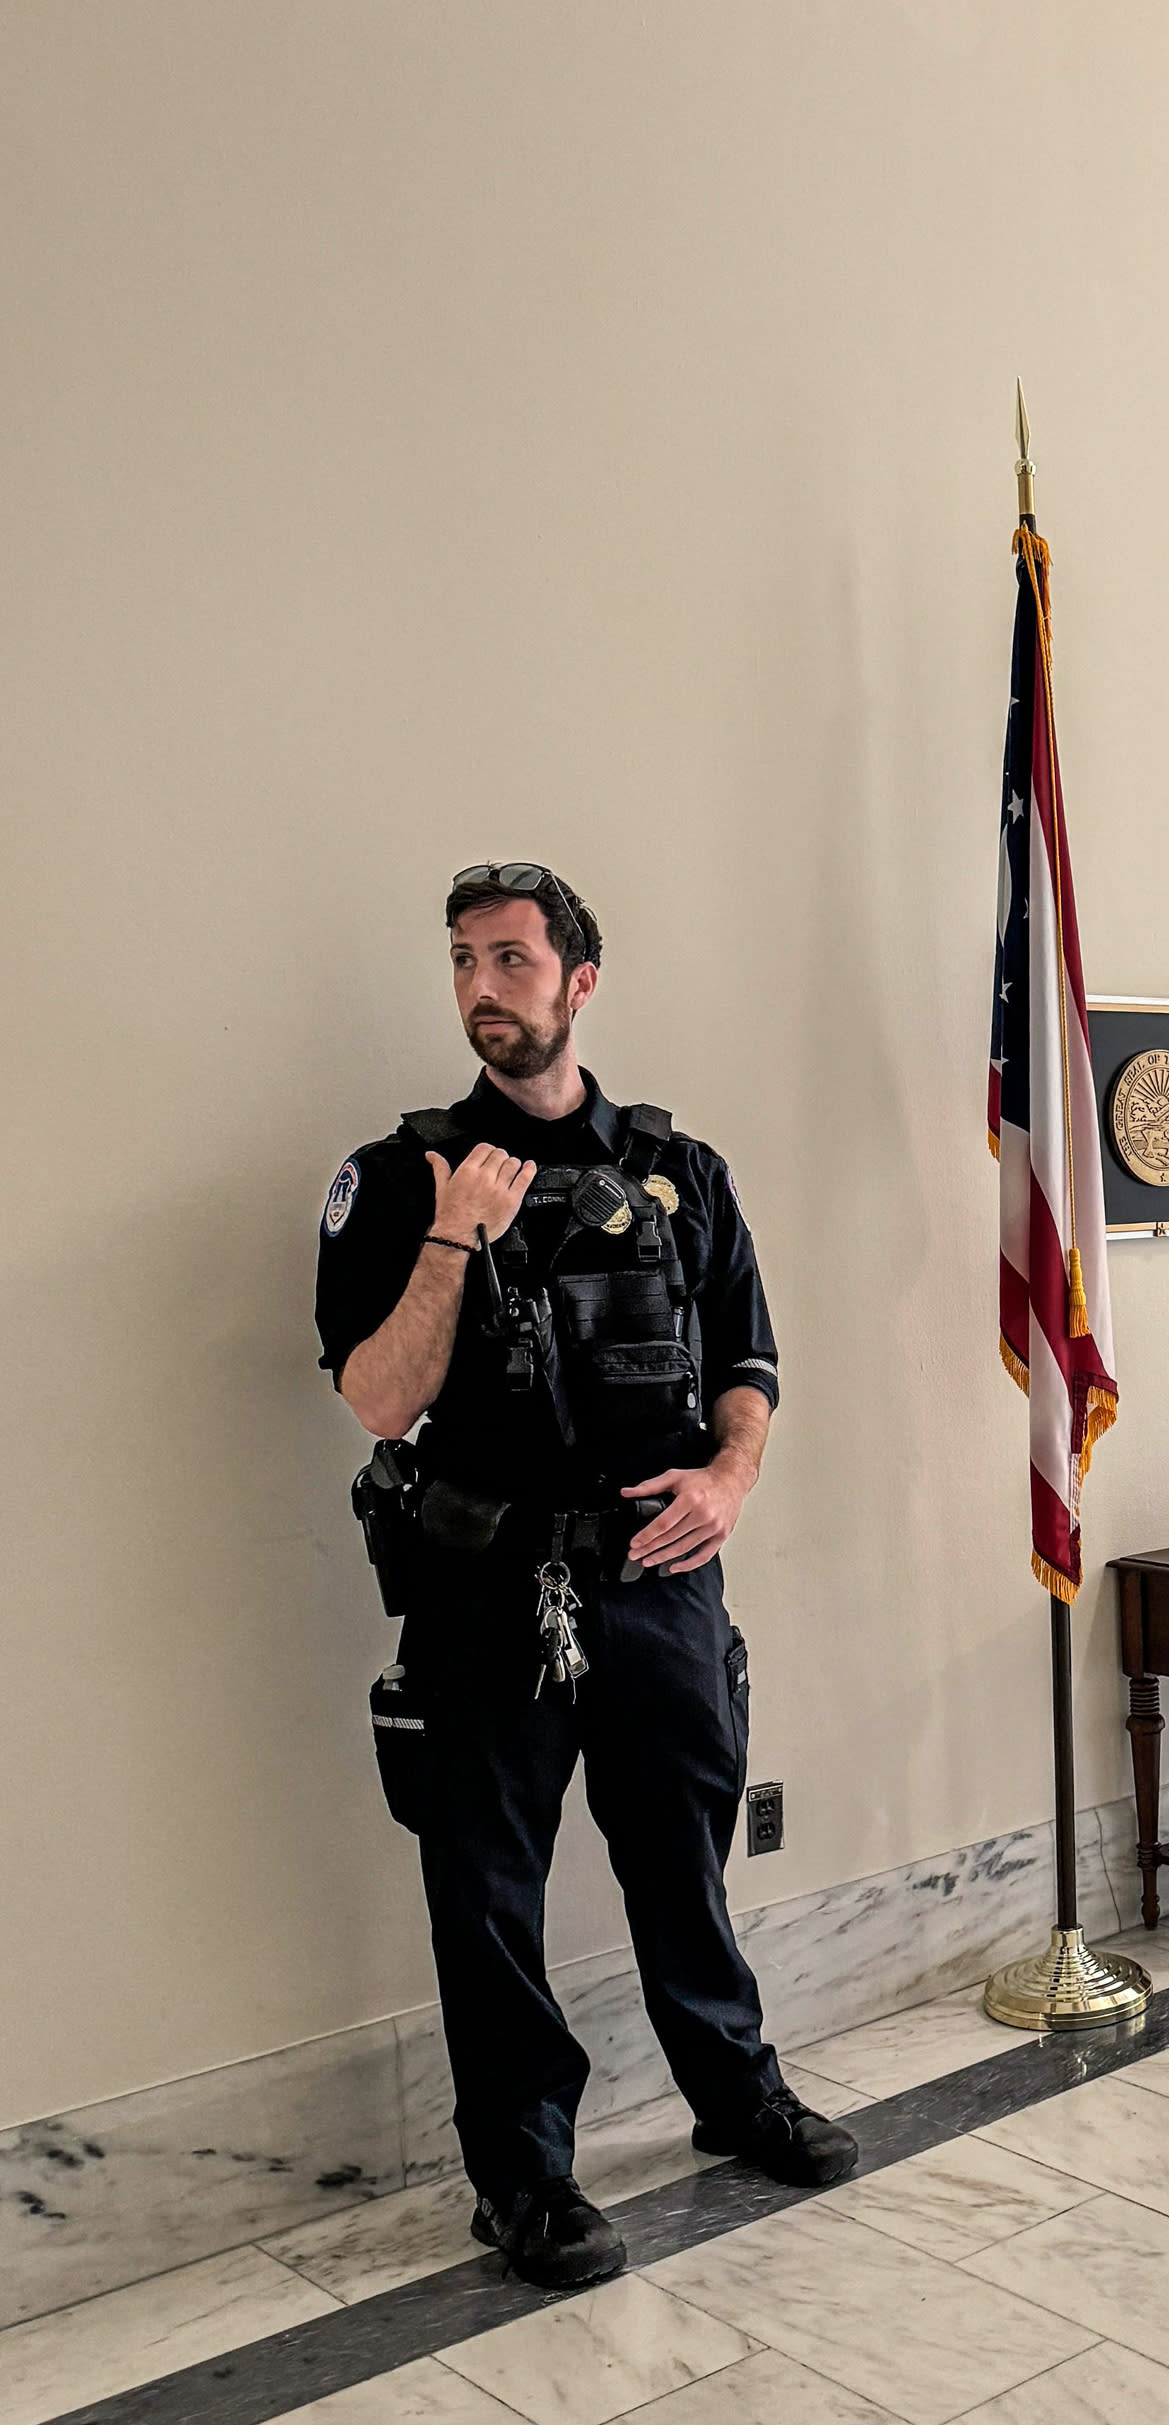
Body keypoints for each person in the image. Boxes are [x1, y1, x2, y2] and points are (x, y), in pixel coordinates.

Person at [316, 863, 854, 2289]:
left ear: (577, 983)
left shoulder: (684, 1173)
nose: (483, 987)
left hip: (660, 1582)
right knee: (488, 1890)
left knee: (683, 1856)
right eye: (461, 961)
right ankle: (525, 2180)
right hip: (487, 1588)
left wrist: (730, 1479)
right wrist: (451, 1239)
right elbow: (378, 1398)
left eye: (509, 958)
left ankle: (737, 2099)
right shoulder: (401, 1176)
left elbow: (749, 1364)